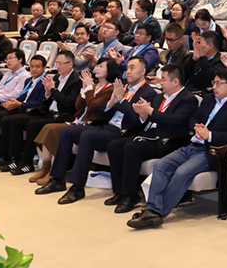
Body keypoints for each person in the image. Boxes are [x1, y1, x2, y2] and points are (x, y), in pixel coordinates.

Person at [127, 68, 227, 229]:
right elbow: (194, 117)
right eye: (214, 83)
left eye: (218, 84)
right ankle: (152, 210)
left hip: (211, 150)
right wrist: (196, 127)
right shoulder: (209, 99)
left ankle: (156, 212)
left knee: (182, 172)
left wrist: (210, 135)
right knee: (161, 165)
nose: (214, 87)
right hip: (192, 145)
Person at [35, 57, 157, 200]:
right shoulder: (122, 86)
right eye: (127, 67)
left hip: (124, 132)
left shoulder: (148, 93)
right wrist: (111, 102)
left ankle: (77, 187)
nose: (128, 71)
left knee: (87, 136)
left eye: (132, 68)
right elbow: (102, 112)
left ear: (143, 71)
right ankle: (57, 179)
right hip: (106, 125)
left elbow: (138, 120)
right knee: (68, 131)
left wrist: (121, 100)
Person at [107, 64, 199, 213]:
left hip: (169, 140)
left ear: (175, 82)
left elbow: (174, 120)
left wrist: (149, 111)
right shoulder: (159, 97)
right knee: (115, 146)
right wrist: (143, 115)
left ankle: (130, 196)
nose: (160, 83)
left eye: (164, 79)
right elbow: (148, 121)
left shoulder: (188, 99)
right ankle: (120, 192)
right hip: (150, 135)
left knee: (132, 147)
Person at [30, 60, 117, 187]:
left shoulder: (110, 89)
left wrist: (88, 88)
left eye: (101, 66)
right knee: (49, 128)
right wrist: (84, 90)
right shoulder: (94, 86)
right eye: (97, 65)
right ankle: (46, 168)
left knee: (57, 130)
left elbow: (94, 107)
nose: (96, 68)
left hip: (93, 124)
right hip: (80, 120)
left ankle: (55, 174)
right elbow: (78, 106)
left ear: (110, 70)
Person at [0, 51, 81, 174]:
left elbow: (68, 103)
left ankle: (27, 163)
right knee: (14, 121)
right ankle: (15, 159)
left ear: (70, 64)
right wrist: (47, 94)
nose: (57, 66)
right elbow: (47, 102)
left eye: (60, 63)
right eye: (56, 63)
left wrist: (52, 89)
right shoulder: (56, 78)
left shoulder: (76, 80)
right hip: (48, 111)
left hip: (62, 116)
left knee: (32, 124)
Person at [0, 55, 48, 161]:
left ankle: (10, 155)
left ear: (44, 68)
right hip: (20, 107)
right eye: (32, 66)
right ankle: (1, 152)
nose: (34, 69)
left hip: (32, 111)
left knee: (7, 120)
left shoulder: (45, 82)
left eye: (37, 67)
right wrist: (13, 102)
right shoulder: (29, 80)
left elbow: (40, 102)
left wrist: (20, 104)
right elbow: (22, 96)